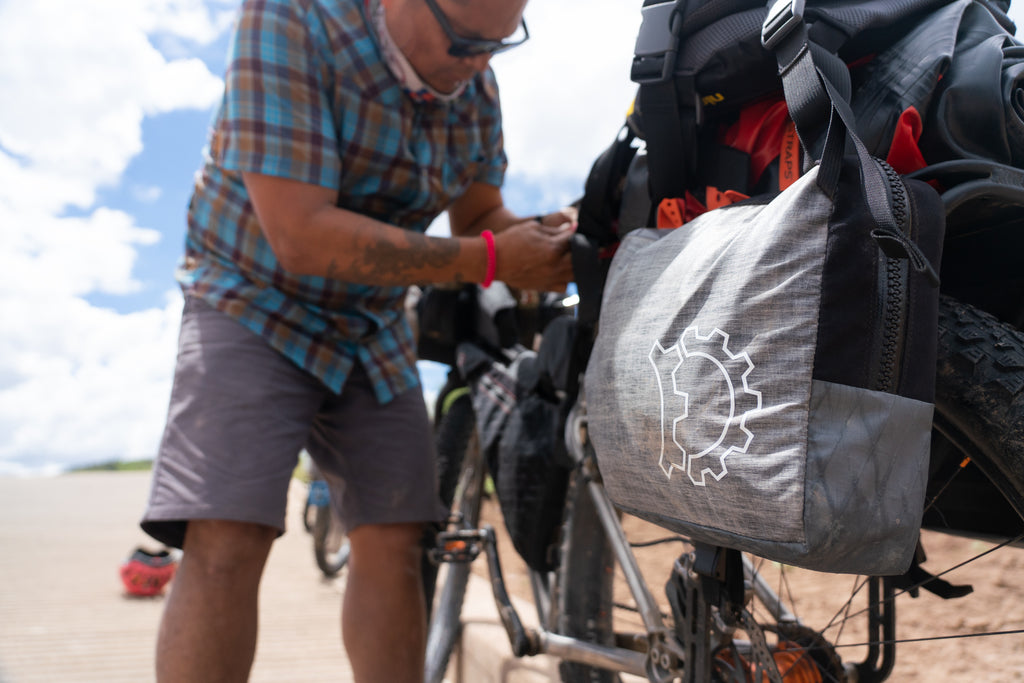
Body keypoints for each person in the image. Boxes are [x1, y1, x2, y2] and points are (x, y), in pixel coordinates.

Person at [139, 0, 574, 680]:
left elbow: (480, 214)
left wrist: (545, 241)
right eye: (464, 41)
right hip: (252, 296)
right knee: (228, 532)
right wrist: (490, 258)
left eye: (500, 44)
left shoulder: (475, 86)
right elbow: (302, 235)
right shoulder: (289, 19)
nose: (480, 64)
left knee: (397, 536)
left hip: (371, 323)